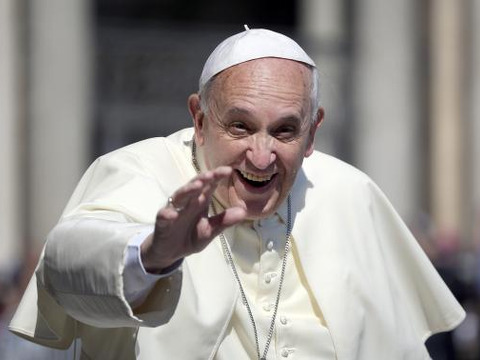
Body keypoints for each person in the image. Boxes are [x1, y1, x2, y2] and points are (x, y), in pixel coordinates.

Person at [9, 26, 465, 360]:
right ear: (200, 119)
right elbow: (66, 261)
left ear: (312, 133)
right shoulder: (140, 170)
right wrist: (151, 256)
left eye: (285, 131)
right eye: (240, 126)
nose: (261, 156)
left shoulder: (350, 193)